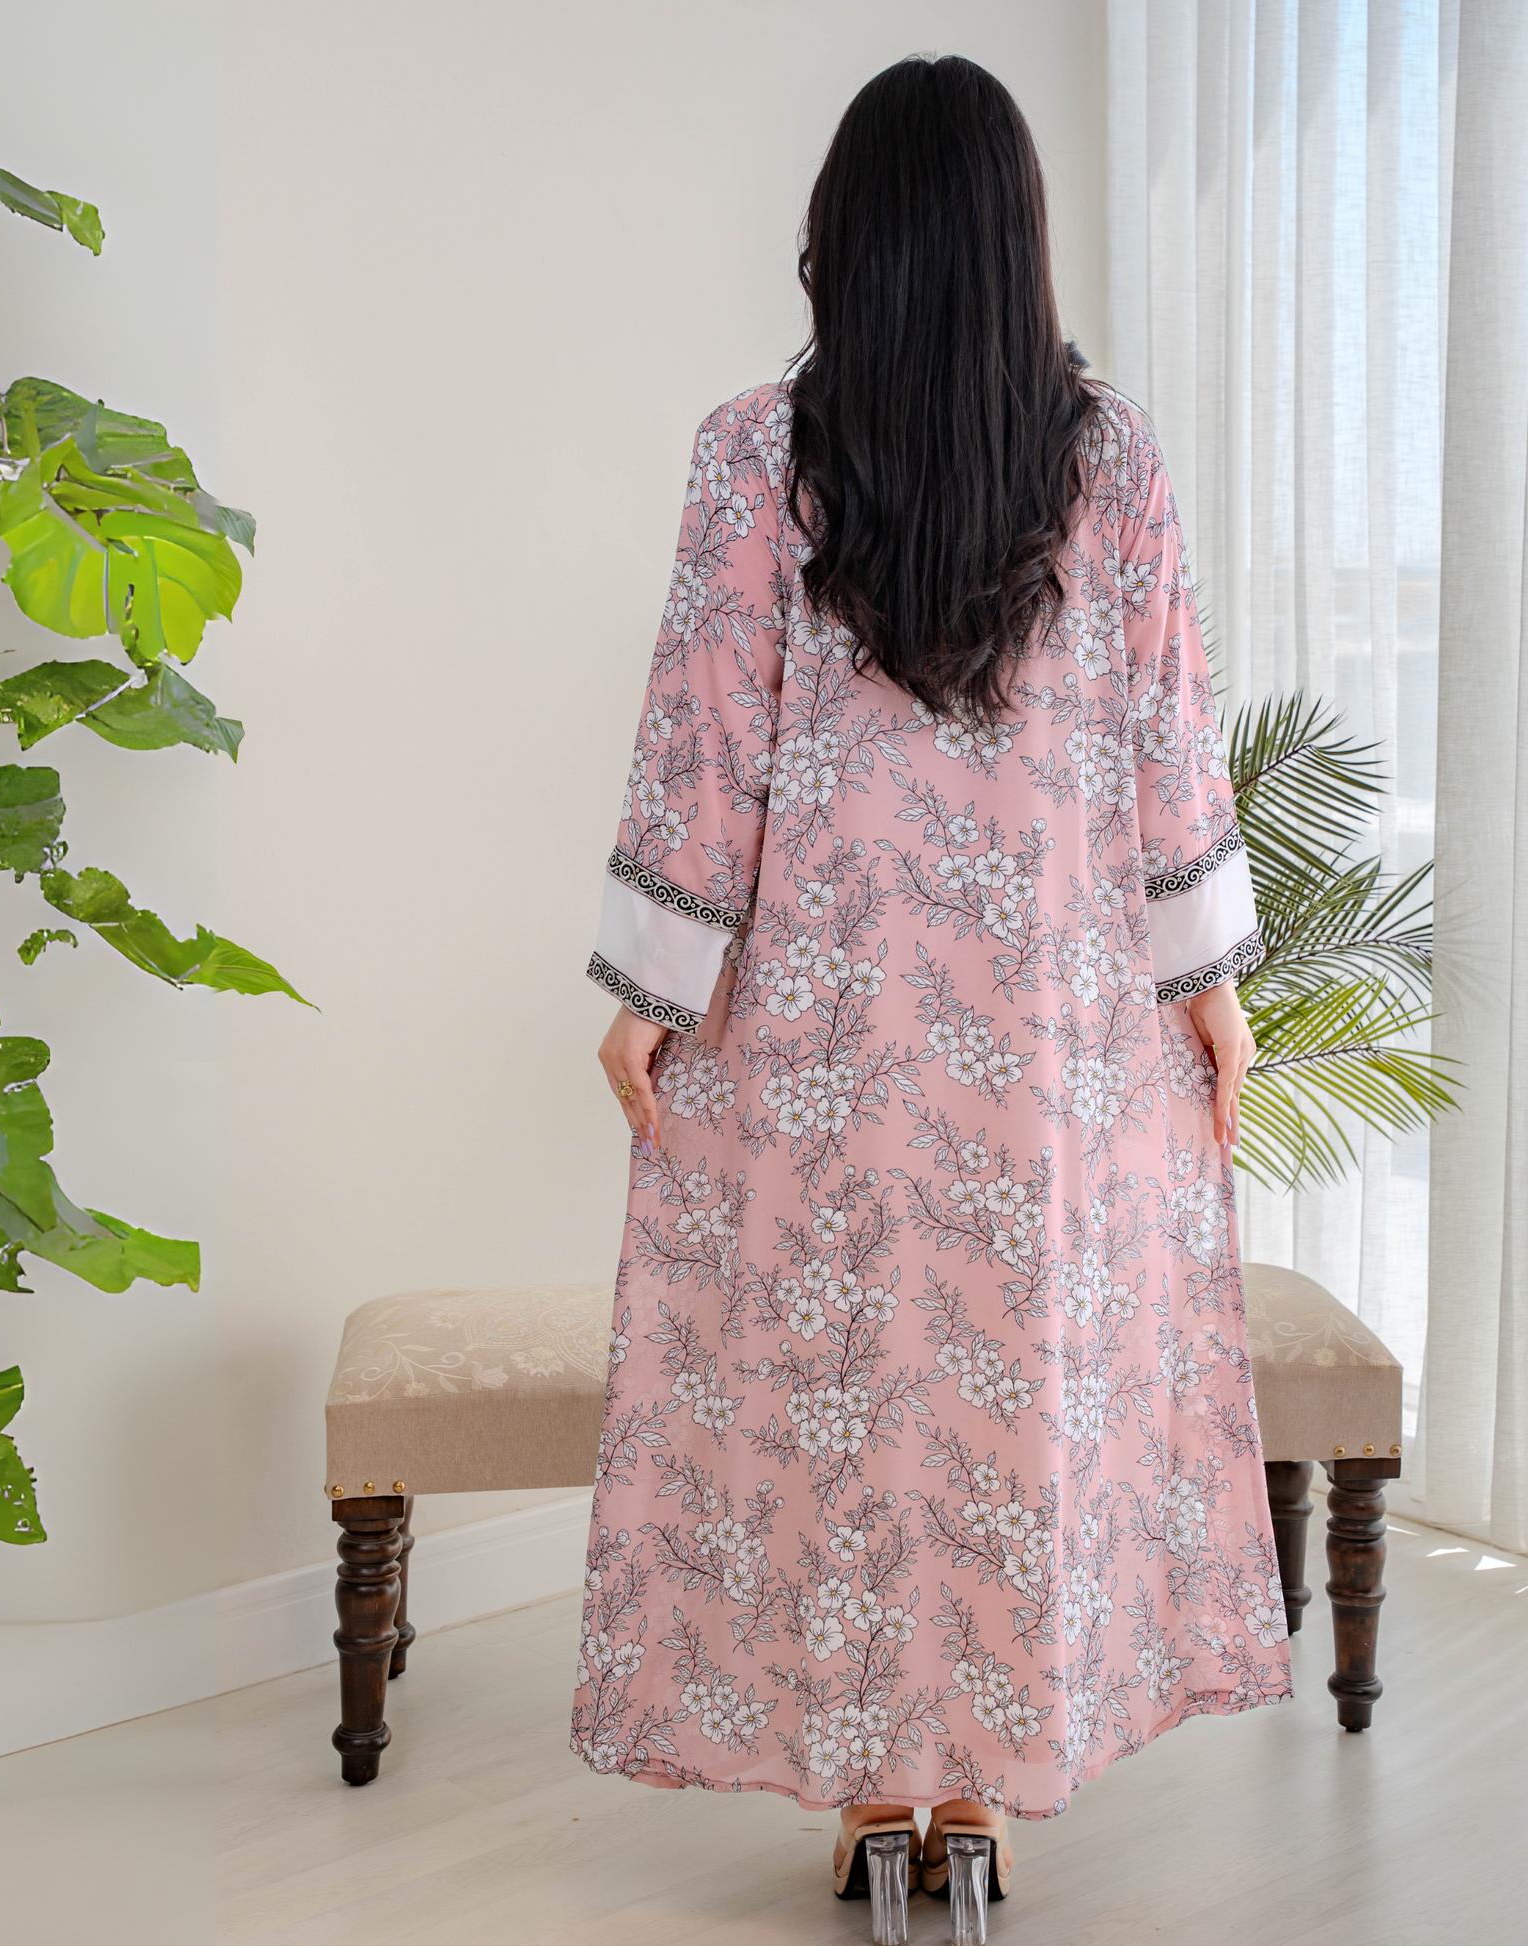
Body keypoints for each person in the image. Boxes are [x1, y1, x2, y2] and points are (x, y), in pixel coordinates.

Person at [572, 51, 1290, 1939]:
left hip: (824, 1034)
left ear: (848, 238)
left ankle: (876, 1794)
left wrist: (653, 987)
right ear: (1014, 240)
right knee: (1014, 1397)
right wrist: (1208, 987)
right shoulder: (1106, 456)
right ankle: (970, 1796)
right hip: (1055, 1039)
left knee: (844, 1395)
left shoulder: (754, 451)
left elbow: (703, 736)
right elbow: (1168, 740)